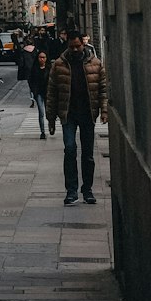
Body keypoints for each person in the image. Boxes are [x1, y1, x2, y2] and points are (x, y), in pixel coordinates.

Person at [46, 31, 108, 205]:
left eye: (77, 46)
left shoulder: (95, 64)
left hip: (88, 114)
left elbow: (103, 89)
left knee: (88, 154)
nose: (74, 49)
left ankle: (87, 190)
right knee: (70, 149)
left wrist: (104, 111)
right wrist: (50, 119)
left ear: (83, 44)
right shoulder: (59, 65)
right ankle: (71, 191)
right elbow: (51, 93)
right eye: (71, 46)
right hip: (68, 114)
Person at [28, 48, 50, 138]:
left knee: (49, 112)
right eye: (40, 57)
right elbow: (30, 80)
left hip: (48, 93)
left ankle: (51, 126)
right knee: (41, 112)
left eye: (44, 57)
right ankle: (42, 132)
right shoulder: (34, 68)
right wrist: (33, 90)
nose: (42, 59)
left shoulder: (49, 68)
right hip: (39, 93)